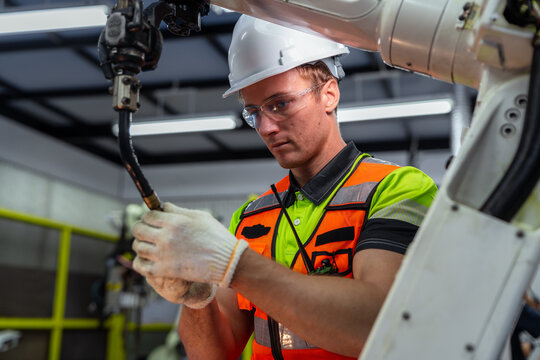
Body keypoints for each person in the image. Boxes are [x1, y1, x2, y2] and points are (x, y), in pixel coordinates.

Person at [131, 15, 438, 359]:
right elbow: (214, 354)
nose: (265, 127)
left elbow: (378, 324)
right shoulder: (253, 216)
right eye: (254, 111)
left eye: (280, 104)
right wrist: (196, 299)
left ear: (329, 94)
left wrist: (236, 264)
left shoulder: (398, 189)